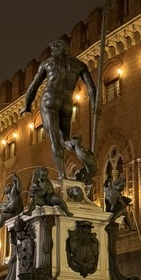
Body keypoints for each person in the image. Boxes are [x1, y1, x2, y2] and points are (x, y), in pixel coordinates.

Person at [21, 38, 97, 179]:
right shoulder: (79, 65)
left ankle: (62, 175)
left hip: (50, 100)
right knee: (65, 139)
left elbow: (33, 87)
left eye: (53, 49)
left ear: (57, 49)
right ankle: (75, 145)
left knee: (55, 139)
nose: (52, 52)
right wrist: (94, 106)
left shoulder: (48, 63)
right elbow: (92, 88)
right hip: (67, 103)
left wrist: (26, 105)